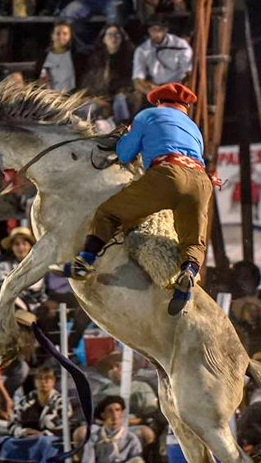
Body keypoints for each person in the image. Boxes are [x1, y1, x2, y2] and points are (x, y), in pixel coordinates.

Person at [54, 82, 213, 316]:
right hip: (201, 180)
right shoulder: (193, 128)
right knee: (192, 240)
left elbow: (125, 154)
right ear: (185, 106)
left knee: (110, 212)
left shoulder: (148, 115)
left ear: (159, 102)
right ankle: (187, 274)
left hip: (168, 173)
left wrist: (126, 137)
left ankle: (84, 262)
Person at [58, 396, 144, 463]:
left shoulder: (131, 438)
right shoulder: (94, 437)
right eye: (110, 411)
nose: (114, 416)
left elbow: (135, 460)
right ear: (103, 415)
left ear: (122, 413)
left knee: (138, 462)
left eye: (118, 410)